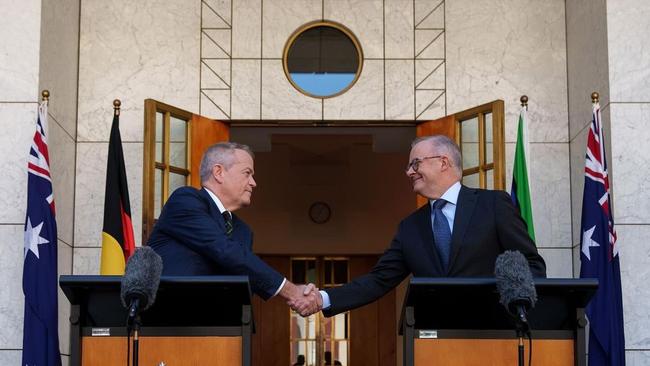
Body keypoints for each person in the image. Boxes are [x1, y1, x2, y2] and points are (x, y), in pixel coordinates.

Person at [292, 135, 546, 316]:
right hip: (435, 340)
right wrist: (323, 299)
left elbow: (531, 264)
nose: (409, 172)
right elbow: (379, 280)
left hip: (495, 332)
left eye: (416, 164)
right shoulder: (410, 227)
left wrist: (517, 307)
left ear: (443, 162)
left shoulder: (493, 205)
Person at [148, 142, 319, 313]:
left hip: (222, 330)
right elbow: (224, 250)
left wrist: (306, 295)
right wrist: (291, 291)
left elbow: (245, 278)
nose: (253, 183)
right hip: (170, 322)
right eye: (247, 173)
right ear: (219, 172)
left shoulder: (242, 230)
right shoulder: (185, 200)